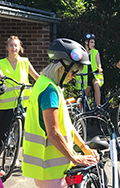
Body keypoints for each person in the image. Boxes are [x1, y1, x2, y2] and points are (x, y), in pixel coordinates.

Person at [21, 38, 99, 188]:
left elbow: (67, 125)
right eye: (74, 71)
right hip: (49, 170)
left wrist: (83, 147)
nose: (75, 76)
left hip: (49, 168)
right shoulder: (50, 91)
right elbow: (53, 132)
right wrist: (76, 158)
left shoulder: (47, 85)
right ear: (62, 68)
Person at [0, 36, 39, 173]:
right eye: (11, 45)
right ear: (7, 47)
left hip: (20, 103)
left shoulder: (25, 62)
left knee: (10, 132)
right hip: (3, 105)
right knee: (4, 132)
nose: (13, 48)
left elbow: (36, 76)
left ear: (19, 48)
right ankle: (6, 157)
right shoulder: (1, 63)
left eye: (16, 46)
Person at [75, 33, 104, 106]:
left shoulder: (95, 52)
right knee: (83, 96)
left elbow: (98, 62)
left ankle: (98, 107)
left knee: (96, 85)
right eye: (91, 42)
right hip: (85, 76)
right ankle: (81, 112)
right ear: (86, 42)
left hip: (94, 75)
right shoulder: (80, 52)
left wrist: (99, 67)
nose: (93, 44)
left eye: (94, 42)